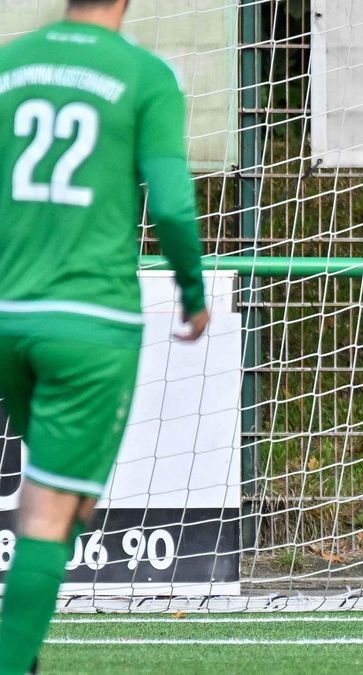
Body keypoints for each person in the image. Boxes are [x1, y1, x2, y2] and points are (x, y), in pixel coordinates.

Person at [0, 1, 208, 670]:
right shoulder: (144, 75)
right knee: (52, 511)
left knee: (63, 497)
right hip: (90, 329)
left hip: (7, 315)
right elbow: (173, 203)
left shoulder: (9, 65)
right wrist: (194, 293)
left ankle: (23, 652)